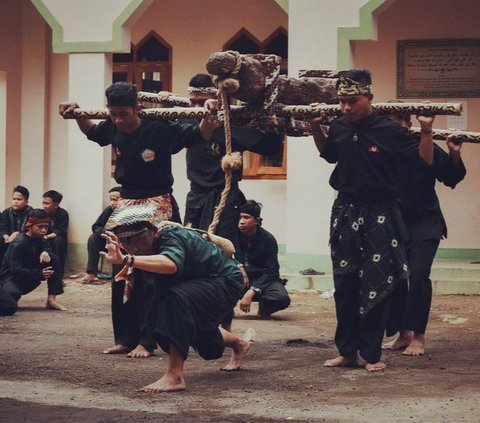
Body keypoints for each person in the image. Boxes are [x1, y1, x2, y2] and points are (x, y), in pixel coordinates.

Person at [309, 69, 434, 372]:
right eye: (341, 101)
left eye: (352, 101)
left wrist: (427, 132)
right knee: (345, 283)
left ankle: (372, 355)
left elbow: (424, 162)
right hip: (344, 212)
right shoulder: (338, 126)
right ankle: (348, 352)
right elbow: (328, 154)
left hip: (379, 213)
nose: (345, 108)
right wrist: (315, 127)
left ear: (369, 98)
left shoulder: (389, 130)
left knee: (377, 284)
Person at [101, 204, 251, 392]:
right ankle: (239, 344)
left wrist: (127, 259)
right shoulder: (144, 252)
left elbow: (171, 264)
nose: (134, 247)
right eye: (127, 242)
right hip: (195, 285)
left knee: (175, 301)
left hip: (225, 281)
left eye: (139, 239)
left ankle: (175, 376)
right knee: (189, 332)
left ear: (153, 231)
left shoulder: (171, 235)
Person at [58, 81, 218, 223]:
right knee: (117, 245)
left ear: (137, 109)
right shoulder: (111, 126)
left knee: (154, 244)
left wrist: (209, 113)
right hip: (127, 197)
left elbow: (200, 135)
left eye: (124, 114)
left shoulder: (159, 126)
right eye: (113, 114)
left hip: (157, 197)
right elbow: (92, 132)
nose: (119, 120)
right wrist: (77, 112)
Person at [382, 110, 466, 356]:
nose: (392, 127)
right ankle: (402, 334)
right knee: (395, 277)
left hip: (426, 220)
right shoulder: (378, 148)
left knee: (418, 275)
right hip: (393, 221)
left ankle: (418, 336)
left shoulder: (423, 144)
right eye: (386, 122)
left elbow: (451, 178)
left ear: (408, 124)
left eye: (397, 122)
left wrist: (453, 154)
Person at [184, 74, 283, 251]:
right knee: (191, 245)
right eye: (193, 102)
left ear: (217, 101)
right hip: (196, 197)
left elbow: (270, 147)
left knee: (222, 248)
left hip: (224, 197)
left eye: (203, 102)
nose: (198, 108)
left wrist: (276, 119)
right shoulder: (187, 124)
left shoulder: (232, 126)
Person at [223, 200, 290, 324]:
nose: (241, 221)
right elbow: (223, 257)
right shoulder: (232, 236)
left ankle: (265, 309)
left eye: (246, 217)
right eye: (240, 217)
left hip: (261, 280)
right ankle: (226, 311)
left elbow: (272, 271)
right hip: (238, 278)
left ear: (257, 221)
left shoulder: (268, 239)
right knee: (217, 288)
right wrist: (239, 266)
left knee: (281, 298)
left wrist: (252, 291)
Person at [0, 208, 67, 311]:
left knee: (54, 259)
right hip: (11, 278)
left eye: (46, 227)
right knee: (11, 300)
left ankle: (51, 300)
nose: (44, 230)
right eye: (40, 227)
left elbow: (47, 246)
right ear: (30, 225)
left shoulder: (39, 237)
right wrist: (39, 273)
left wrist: (46, 252)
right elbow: (15, 270)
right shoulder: (18, 243)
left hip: (29, 274)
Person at [77, 186, 122, 285]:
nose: (112, 203)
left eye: (115, 199)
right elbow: (96, 226)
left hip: (125, 245)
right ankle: (91, 274)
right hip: (109, 243)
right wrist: (106, 233)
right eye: (111, 200)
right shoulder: (109, 210)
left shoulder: (131, 211)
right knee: (93, 238)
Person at [0, 185, 33, 263]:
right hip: (8, 239)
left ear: (26, 201)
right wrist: (5, 235)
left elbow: (31, 230)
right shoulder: (7, 212)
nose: (15, 201)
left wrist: (17, 234)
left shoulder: (31, 212)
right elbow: (3, 226)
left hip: (25, 239)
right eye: (14, 199)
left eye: (19, 199)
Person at [42, 190, 69, 280]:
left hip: (55, 238)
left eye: (47, 203)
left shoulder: (63, 214)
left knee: (59, 241)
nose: (44, 206)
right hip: (43, 238)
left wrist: (47, 236)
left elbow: (61, 231)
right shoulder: (41, 214)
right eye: (43, 203)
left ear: (56, 205)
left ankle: (58, 274)